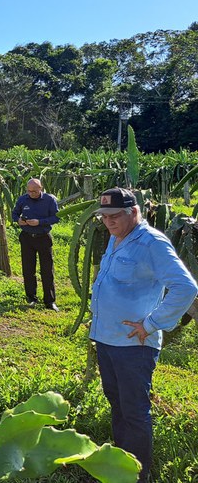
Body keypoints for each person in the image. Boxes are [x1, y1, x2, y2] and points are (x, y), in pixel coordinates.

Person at [90, 187, 197, 482]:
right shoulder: (116, 236)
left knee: (134, 411)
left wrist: (150, 324)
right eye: (104, 216)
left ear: (133, 212)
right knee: (117, 402)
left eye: (114, 216)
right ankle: (120, 465)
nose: (108, 222)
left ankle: (137, 475)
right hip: (107, 338)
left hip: (134, 345)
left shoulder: (152, 243)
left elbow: (185, 288)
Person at [11, 178, 60, 311]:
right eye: (29, 191)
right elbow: (14, 213)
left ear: (41, 189)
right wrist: (18, 220)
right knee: (28, 269)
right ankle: (31, 298)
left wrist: (40, 222)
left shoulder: (49, 200)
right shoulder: (23, 199)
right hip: (27, 237)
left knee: (47, 270)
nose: (31, 193)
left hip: (43, 237)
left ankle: (50, 301)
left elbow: (56, 217)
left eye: (34, 191)